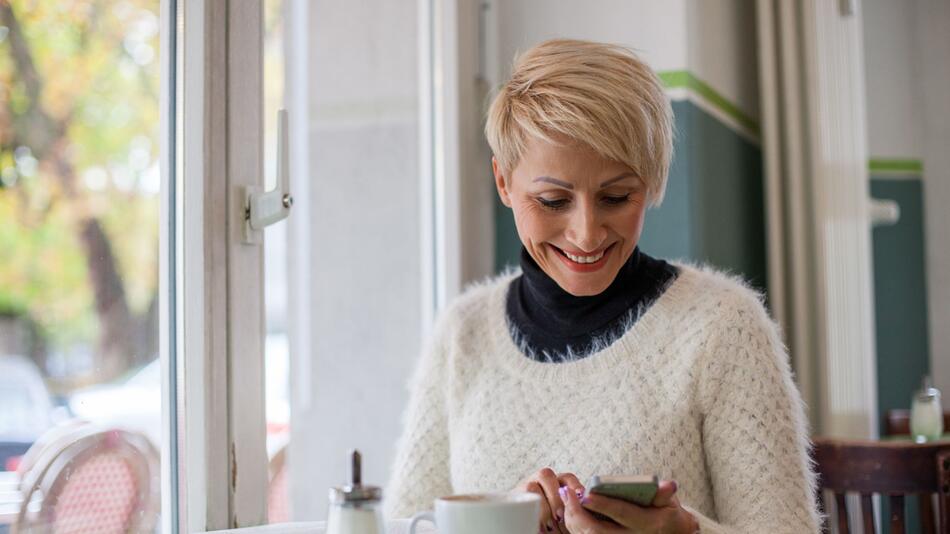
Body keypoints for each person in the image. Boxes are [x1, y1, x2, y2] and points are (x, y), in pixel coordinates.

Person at [385, 39, 819, 534]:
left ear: (652, 183)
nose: (587, 233)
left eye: (616, 196)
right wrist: (504, 518)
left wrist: (686, 532)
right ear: (504, 181)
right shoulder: (462, 336)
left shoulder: (722, 327)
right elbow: (404, 526)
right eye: (552, 200)